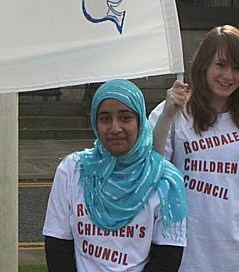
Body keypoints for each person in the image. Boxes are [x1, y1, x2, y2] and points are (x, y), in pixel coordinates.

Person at [149, 25, 239, 272]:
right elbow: (150, 169)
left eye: (238, 68)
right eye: (221, 65)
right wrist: (166, 118)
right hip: (185, 255)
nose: (228, 75)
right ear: (204, 64)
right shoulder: (173, 114)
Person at [43, 79, 187, 272]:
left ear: (139, 120)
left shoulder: (166, 180)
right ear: (95, 122)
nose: (115, 128)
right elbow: (57, 245)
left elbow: (167, 258)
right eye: (105, 119)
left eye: (125, 118)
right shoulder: (72, 169)